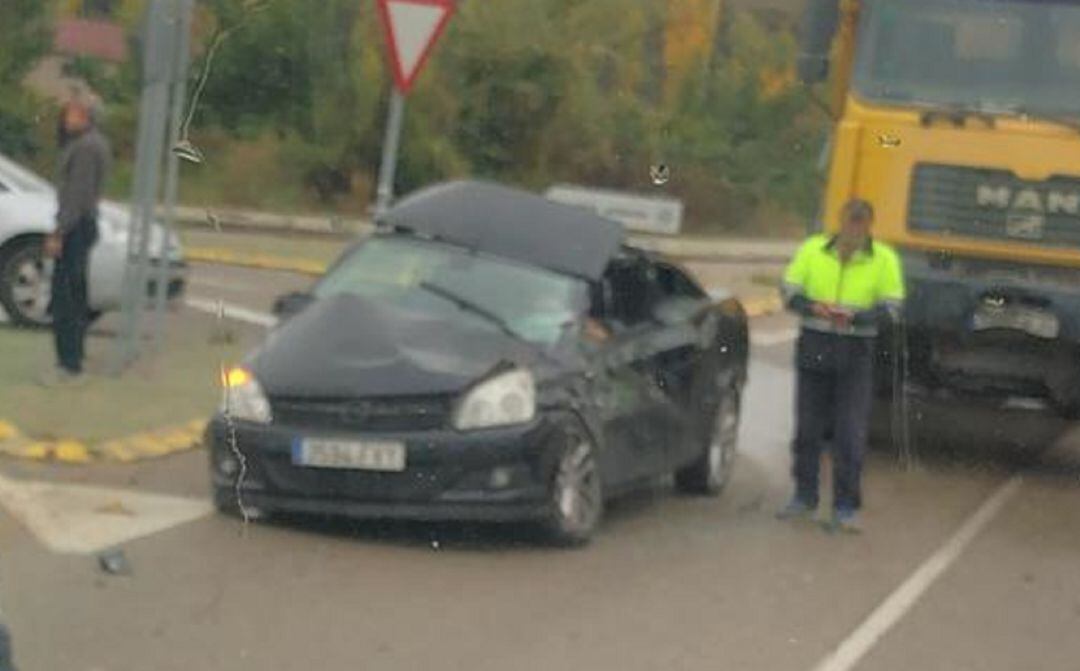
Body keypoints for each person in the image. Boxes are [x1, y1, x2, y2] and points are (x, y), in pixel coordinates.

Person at [776, 199, 905, 533]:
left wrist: (856, 317)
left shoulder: (884, 259)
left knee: (849, 434)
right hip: (814, 349)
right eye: (851, 222)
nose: (854, 229)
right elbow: (789, 292)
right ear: (841, 221)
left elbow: (892, 309)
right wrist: (813, 307)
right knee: (807, 431)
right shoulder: (813, 250)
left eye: (861, 224)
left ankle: (845, 506)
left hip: (856, 354)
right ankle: (804, 497)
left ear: (869, 225)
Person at [42, 101, 111, 386]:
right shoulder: (95, 144)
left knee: (65, 296)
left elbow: (76, 194)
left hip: (75, 226)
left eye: (72, 114)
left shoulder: (84, 148)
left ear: (86, 117)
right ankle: (75, 358)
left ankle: (68, 364)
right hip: (84, 224)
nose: (66, 119)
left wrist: (59, 232)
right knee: (76, 292)